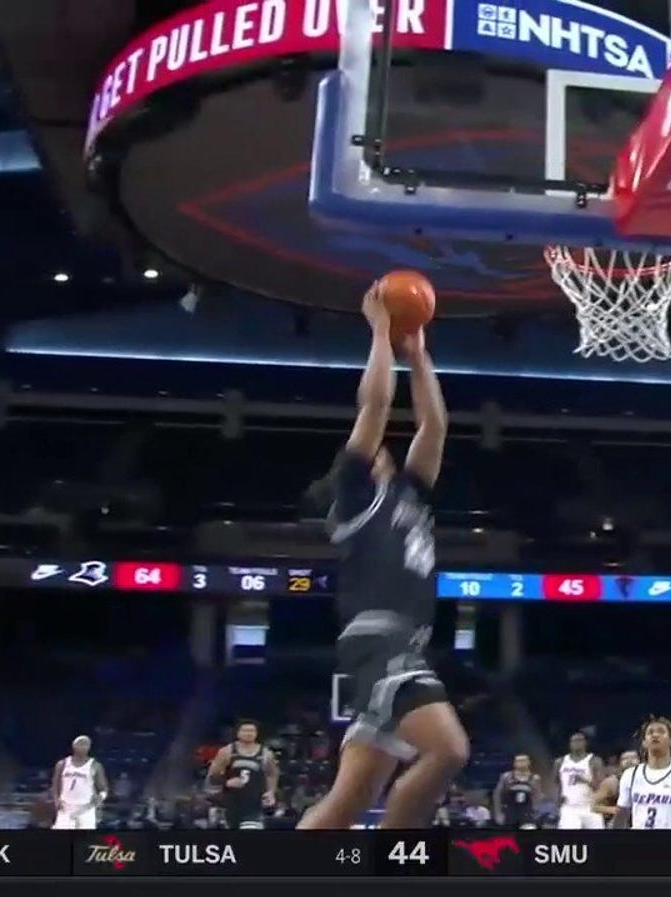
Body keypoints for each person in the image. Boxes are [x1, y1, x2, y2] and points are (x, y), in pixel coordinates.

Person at [296, 282, 466, 830]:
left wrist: (419, 356)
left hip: (400, 646)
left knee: (340, 811)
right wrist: (379, 332)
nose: (383, 449)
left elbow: (433, 426)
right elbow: (375, 403)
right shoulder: (355, 494)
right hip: (380, 643)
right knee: (448, 751)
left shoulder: (408, 494)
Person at [206, 720, 278, 830]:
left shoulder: (265, 753)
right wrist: (226, 782)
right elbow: (213, 775)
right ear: (238, 733)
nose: (248, 733)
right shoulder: (227, 751)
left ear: (257, 733)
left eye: (252, 731)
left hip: (254, 805)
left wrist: (271, 792)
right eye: (245, 730)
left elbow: (272, 774)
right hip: (230, 804)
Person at [51, 736, 107, 831]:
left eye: (85, 744)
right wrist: (56, 801)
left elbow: (103, 789)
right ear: (74, 746)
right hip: (66, 807)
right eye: (80, 744)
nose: (83, 746)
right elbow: (55, 784)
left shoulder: (95, 765)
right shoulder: (62, 764)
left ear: (89, 747)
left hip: (86, 808)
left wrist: (100, 798)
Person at [554, 732, 605, 830]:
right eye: (574, 741)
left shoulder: (594, 760)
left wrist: (585, 781)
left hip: (591, 807)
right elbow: (557, 783)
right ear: (569, 743)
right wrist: (558, 802)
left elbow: (601, 787)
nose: (577, 743)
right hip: (569, 807)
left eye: (580, 740)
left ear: (585, 743)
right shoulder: (560, 762)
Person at [493, 755, 541, 828]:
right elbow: (497, 795)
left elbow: (537, 795)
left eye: (524, 761)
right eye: (519, 761)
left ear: (529, 763)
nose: (521, 763)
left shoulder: (534, 778)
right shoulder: (506, 777)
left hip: (526, 812)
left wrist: (535, 811)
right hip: (509, 811)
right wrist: (498, 813)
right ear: (514, 763)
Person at [594, 751, 639, 821]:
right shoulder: (611, 782)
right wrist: (613, 810)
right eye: (625, 758)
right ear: (619, 763)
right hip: (617, 821)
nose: (629, 761)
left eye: (633, 758)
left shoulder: (649, 780)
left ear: (640, 761)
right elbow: (594, 806)